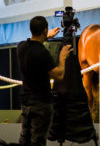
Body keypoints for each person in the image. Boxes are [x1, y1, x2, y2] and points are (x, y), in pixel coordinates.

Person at [17, 16, 72, 146]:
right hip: (41, 105)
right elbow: (58, 75)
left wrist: (46, 35)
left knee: (24, 139)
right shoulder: (42, 53)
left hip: (26, 103)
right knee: (38, 141)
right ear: (44, 30)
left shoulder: (21, 47)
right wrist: (62, 57)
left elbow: (33, 43)